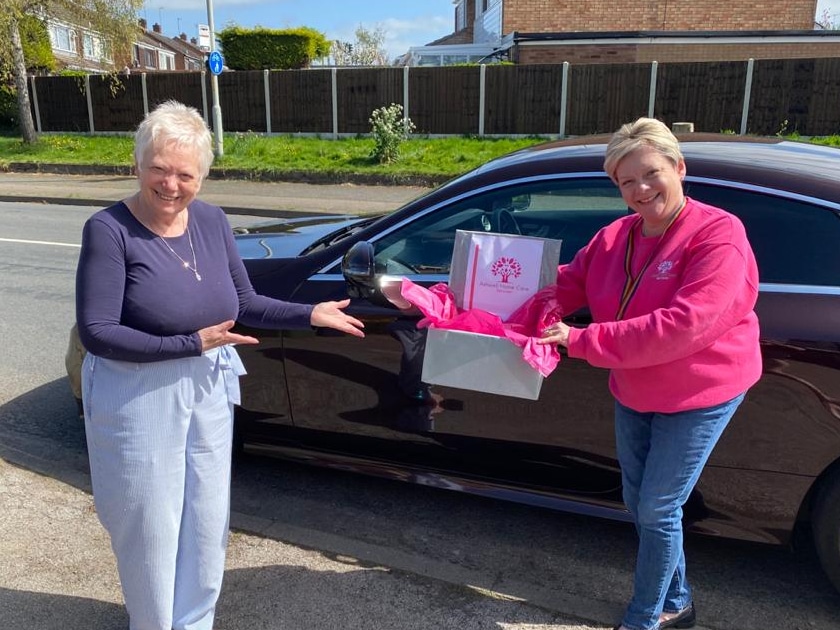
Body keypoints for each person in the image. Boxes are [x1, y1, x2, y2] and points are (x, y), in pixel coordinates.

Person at [75, 100, 364, 630]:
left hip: (207, 384)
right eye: (158, 168)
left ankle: (194, 622)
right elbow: (98, 333)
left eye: (185, 174)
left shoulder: (210, 220)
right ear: (138, 163)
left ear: (202, 177)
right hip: (137, 391)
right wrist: (189, 343)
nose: (169, 184)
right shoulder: (109, 230)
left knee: (207, 518)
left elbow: (244, 303)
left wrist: (312, 313)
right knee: (150, 524)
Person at [537, 117, 761, 630]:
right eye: (625, 182)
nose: (640, 190)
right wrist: (491, 298)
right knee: (639, 501)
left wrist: (579, 340)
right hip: (635, 383)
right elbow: (568, 284)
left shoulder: (719, 235)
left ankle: (644, 619)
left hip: (702, 389)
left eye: (651, 173)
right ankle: (677, 600)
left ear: (679, 167)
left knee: (659, 509)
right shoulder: (615, 236)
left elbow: (685, 325)